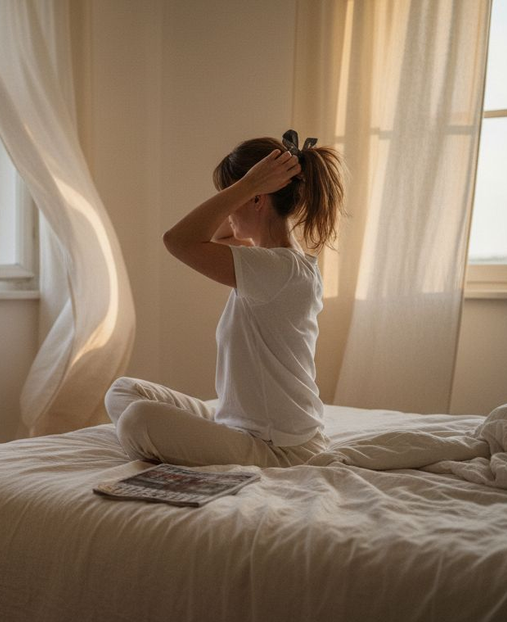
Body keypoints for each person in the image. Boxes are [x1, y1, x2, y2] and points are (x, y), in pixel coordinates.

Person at [104, 131, 345, 468]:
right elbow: (218, 235)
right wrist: (249, 186)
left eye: (232, 195)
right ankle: (204, 439)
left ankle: (191, 444)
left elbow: (178, 241)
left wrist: (249, 185)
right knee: (123, 391)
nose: (228, 207)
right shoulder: (274, 262)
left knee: (136, 420)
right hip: (237, 423)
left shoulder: (276, 269)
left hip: (277, 447)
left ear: (258, 199)